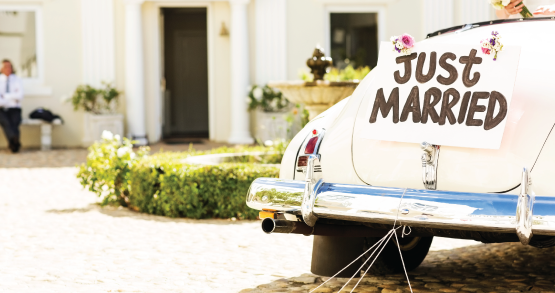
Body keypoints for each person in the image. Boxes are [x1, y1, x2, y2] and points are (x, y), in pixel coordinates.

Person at [0, 59, 23, 153]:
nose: (8, 69)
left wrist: (5, 96)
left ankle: (13, 143)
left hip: (15, 108)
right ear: (1, 69)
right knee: (6, 122)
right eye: (6, 67)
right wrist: (12, 98)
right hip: (1, 109)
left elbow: (20, 96)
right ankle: (15, 141)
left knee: (15, 122)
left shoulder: (17, 80)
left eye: (10, 66)